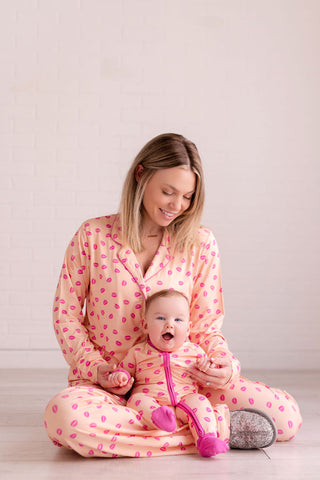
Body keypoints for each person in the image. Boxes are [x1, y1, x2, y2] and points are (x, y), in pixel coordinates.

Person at [44, 133, 302, 458]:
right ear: (141, 175)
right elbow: (66, 315)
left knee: (286, 416)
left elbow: (206, 325)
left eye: (187, 196)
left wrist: (224, 366)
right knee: (64, 417)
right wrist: (96, 368)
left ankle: (153, 430)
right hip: (108, 390)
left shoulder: (200, 243)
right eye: (168, 191)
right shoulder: (92, 237)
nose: (176, 206)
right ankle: (215, 429)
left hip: (185, 386)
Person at [107, 288, 231, 457]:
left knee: (200, 402)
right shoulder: (137, 352)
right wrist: (120, 377)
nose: (169, 324)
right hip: (152, 400)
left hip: (184, 401)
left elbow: (208, 375)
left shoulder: (194, 351)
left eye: (178, 319)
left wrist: (207, 366)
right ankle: (158, 418)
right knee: (136, 400)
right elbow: (126, 374)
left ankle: (206, 438)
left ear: (188, 330)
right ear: (145, 326)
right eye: (160, 318)